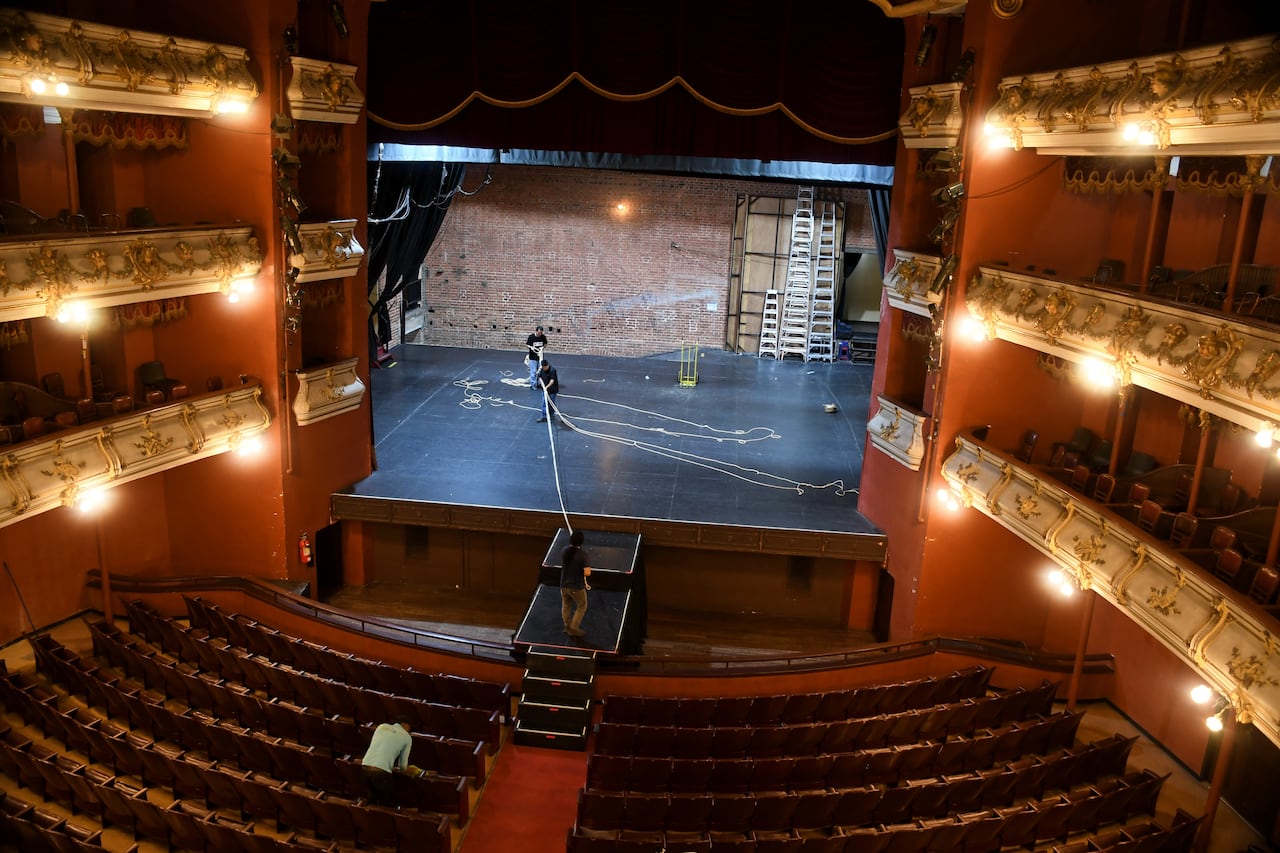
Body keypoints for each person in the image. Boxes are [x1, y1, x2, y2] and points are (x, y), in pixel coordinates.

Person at [361, 716, 413, 806]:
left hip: (365, 766)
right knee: (387, 804)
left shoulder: (381, 726)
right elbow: (403, 766)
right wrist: (403, 770)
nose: (409, 731)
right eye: (409, 728)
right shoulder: (407, 737)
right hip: (381, 771)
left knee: (371, 799)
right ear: (404, 724)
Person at [560, 530, 591, 637]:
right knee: (582, 605)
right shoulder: (583, 555)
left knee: (566, 605)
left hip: (563, 584)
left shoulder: (564, 550)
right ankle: (573, 627)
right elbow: (587, 572)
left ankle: (567, 626)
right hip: (576, 586)